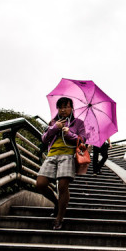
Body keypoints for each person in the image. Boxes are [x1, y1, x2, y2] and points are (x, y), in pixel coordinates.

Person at [36, 97, 86, 230]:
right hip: (51, 155)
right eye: (60, 107)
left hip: (68, 156)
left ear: (72, 108)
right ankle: (56, 203)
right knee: (40, 184)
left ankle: (59, 218)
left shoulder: (78, 123)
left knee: (62, 186)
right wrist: (54, 128)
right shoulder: (53, 122)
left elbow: (83, 141)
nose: (63, 110)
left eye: (66, 107)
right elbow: (44, 139)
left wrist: (69, 134)